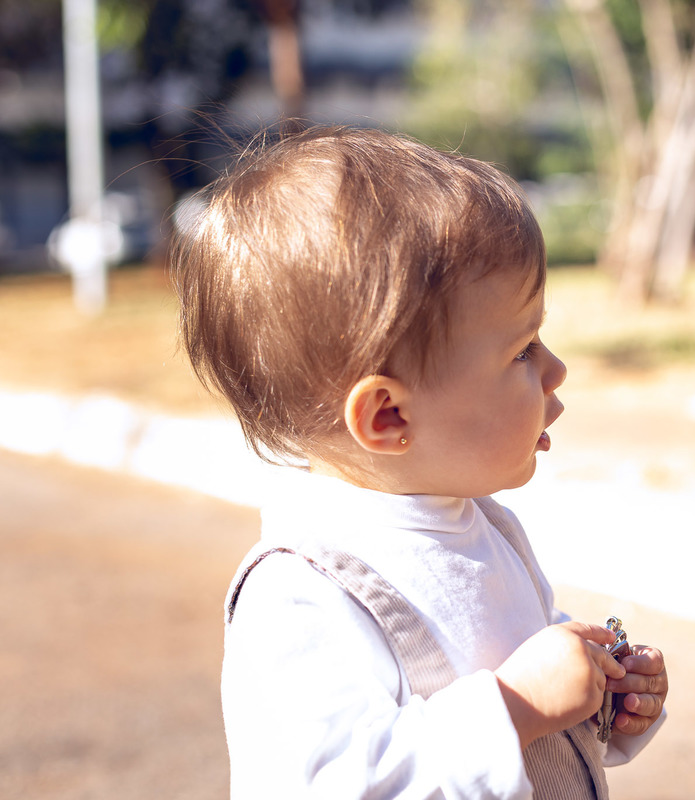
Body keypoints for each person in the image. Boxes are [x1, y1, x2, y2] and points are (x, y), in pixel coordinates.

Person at [171, 125, 668, 798]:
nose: (555, 370)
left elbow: (532, 706)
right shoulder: (300, 594)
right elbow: (348, 783)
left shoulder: (484, 527)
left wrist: (603, 692)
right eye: (521, 351)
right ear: (388, 417)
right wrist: (517, 706)